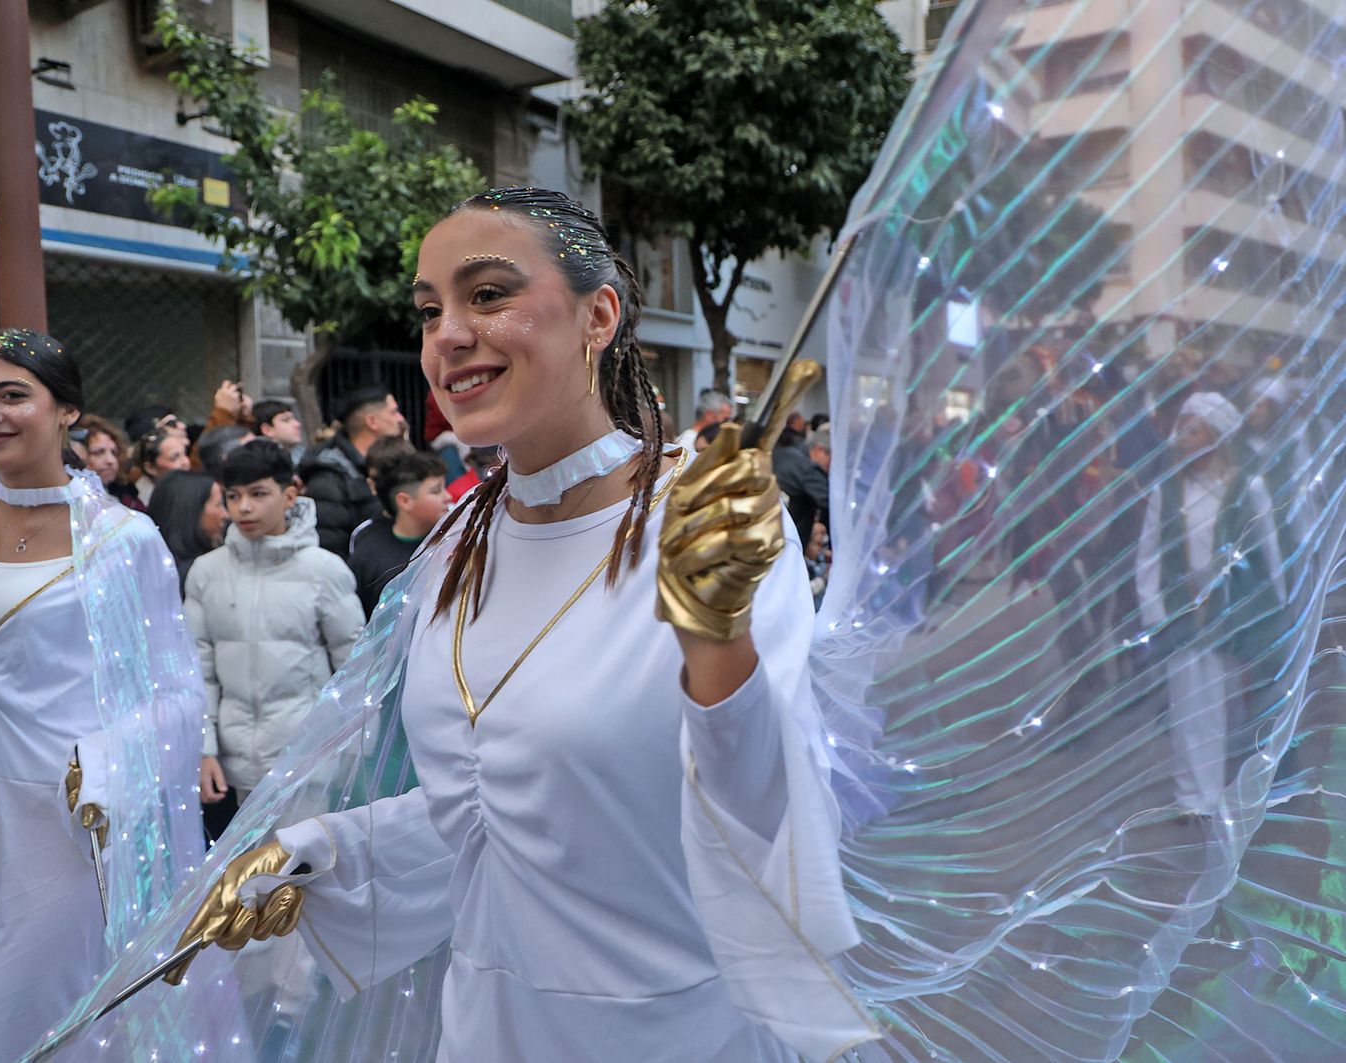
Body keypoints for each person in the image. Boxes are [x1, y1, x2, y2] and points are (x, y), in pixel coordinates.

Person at [164, 187, 868, 1062]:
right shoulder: (456, 541)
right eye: (429, 311)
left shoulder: (707, 518)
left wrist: (716, 641)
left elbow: (773, 822)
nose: (447, 335)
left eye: (488, 294)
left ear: (597, 314)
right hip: (485, 1029)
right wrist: (313, 850)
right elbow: (495, 815)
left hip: (672, 1031)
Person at [0, 328, 209, 1061]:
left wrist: (105, 769)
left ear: (66, 412)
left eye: (11, 394)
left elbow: (178, 692)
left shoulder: (123, 540)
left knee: (21, 1021)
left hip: (69, 822)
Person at [188, 440, 362, 812]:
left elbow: (355, 669)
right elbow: (198, 671)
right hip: (231, 769)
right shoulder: (207, 572)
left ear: (290, 494)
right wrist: (203, 750)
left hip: (310, 761)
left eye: (258, 493)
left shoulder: (324, 570)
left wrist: (351, 754)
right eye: (233, 496)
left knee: (304, 867)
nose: (244, 507)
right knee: (242, 871)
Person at [1135, 392, 1285, 819]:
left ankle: (1223, 791)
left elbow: (1269, 551)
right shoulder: (1166, 491)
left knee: (1228, 707)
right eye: (1181, 426)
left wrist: (1276, 605)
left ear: (1216, 436)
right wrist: (1156, 616)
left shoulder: (1246, 487)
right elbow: (1147, 558)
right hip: (1183, 616)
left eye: (1194, 428)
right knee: (1188, 708)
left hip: (1229, 613)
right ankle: (1192, 800)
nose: (1183, 436)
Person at [299, 386, 408, 559]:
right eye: (393, 412)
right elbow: (330, 548)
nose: (400, 419)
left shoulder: (395, 463)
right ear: (372, 421)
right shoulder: (328, 475)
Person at [348, 450, 449, 616]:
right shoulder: (369, 557)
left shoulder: (454, 539)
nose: (448, 496)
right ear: (405, 501)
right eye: (436, 491)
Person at [146, 469, 225, 594]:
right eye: (218, 505)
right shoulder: (202, 573)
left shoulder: (149, 568)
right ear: (193, 510)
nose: (225, 515)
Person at [772, 423, 830, 549]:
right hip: (789, 541)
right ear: (819, 450)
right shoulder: (810, 470)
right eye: (831, 459)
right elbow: (829, 502)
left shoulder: (783, 454)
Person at [75, 414, 146, 512]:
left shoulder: (128, 498)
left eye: (114, 452)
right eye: (98, 452)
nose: (111, 461)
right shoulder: (72, 505)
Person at [133, 428, 192, 506]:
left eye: (184, 453)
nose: (185, 462)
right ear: (150, 468)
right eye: (175, 457)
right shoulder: (141, 504)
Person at [675, 388, 732, 452]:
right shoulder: (688, 442)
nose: (728, 423)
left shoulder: (692, 439)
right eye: (725, 419)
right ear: (709, 415)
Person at [254, 399, 306, 465]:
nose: (297, 424)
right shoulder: (257, 460)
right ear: (267, 430)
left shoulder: (301, 454)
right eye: (286, 420)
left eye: (294, 419)